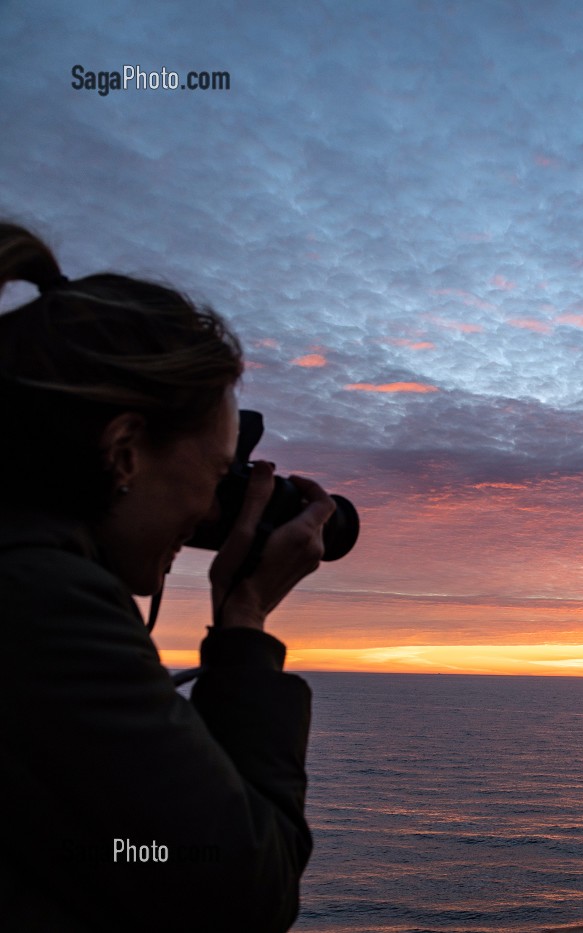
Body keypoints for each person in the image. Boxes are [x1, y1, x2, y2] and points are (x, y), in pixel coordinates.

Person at [0, 222, 336, 931]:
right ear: (124, 450)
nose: (212, 513)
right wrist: (244, 619)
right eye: (217, 476)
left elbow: (133, 848)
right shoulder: (45, 604)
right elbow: (243, 888)